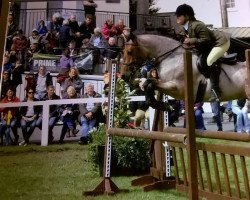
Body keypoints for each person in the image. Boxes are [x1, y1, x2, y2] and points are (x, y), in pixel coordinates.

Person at [175, 4, 230, 102]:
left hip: (221, 43)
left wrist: (191, 41)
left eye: (179, 15)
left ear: (187, 16)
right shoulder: (183, 28)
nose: (177, 17)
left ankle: (216, 90)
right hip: (208, 46)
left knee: (209, 60)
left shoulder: (198, 25)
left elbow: (206, 40)